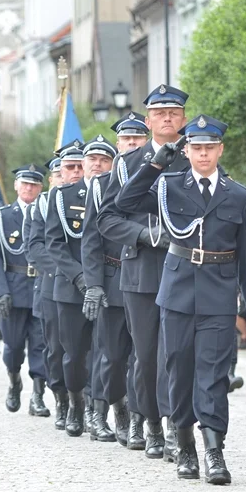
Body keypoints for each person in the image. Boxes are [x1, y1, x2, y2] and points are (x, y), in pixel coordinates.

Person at [114, 114, 246, 485]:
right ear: (188, 150)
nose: (203, 155)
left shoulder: (238, 194)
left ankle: (214, 449)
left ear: (220, 150)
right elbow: (125, 200)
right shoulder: (168, 186)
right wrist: (156, 162)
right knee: (178, 369)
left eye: (209, 148)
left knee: (213, 373)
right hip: (178, 289)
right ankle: (184, 443)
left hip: (219, 291)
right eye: (196, 148)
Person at [97, 84, 192, 462]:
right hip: (141, 268)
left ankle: (174, 425)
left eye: (174, 112)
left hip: (184, 267)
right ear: (149, 119)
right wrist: (144, 235)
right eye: (160, 112)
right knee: (147, 353)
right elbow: (107, 219)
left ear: (183, 118)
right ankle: (148, 420)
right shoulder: (128, 163)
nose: (167, 118)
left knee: (178, 352)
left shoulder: (196, 155)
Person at [48, 135, 120, 441]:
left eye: (105, 160)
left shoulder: (117, 194)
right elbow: (53, 244)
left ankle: (96, 412)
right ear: (84, 164)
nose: (98, 165)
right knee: (74, 354)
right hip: (71, 288)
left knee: (105, 351)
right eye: (93, 160)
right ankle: (75, 402)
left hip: (109, 286)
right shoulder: (62, 197)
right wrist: (80, 277)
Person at [83, 131, 143, 447]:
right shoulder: (101, 186)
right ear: (119, 145)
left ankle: (139, 419)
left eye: (138, 139)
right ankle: (113, 409)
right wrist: (93, 284)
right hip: (113, 279)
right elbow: (91, 241)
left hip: (148, 280)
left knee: (145, 356)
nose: (132, 144)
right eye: (126, 139)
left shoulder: (156, 182)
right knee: (113, 356)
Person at [0, 164, 50, 417]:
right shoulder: (2, 216)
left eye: (34, 184)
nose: (29, 188)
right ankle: (14, 381)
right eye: (25, 183)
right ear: (16, 186)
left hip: (40, 287)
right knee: (13, 347)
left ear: (41, 187)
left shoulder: (47, 212)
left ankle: (38, 395)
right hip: (13, 289)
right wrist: (0, 292)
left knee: (40, 345)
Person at [25, 152, 72, 430]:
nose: (65, 176)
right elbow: (35, 248)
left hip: (82, 285)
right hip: (51, 284)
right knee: (55, 348)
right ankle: (61, 398)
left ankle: (88, 403)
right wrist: (66, 270)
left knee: (86, 349)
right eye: (58, 173)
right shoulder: (41, 205)